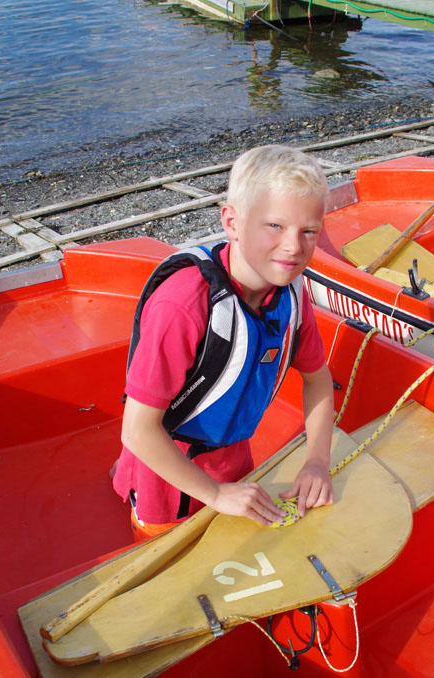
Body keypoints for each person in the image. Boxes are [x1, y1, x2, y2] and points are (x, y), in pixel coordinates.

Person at [111, 144, 335, 542]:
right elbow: (138, 431)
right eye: (274, 226)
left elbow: (318, 380)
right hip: (167, 478)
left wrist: (317, 461)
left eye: (309, 231)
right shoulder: (183, 305)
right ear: (232, 222)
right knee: (172, 559)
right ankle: (126, 481)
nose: (293, 247)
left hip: (234, 458)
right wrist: (214, 494)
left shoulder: (292, 294)